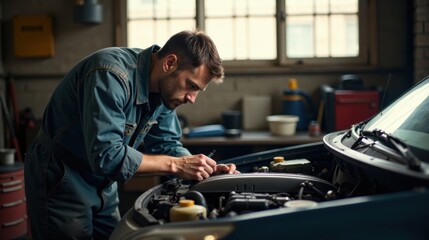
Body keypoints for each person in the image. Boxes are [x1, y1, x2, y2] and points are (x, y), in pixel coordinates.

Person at [24, 30, 239, 240]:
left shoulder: (165, 91)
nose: (192, 98)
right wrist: (178, 165)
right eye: (191, 86)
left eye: (197, 90)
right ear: (169, 63)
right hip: (62, 176)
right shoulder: (109, 74)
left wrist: (202, 170)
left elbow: (167, 144)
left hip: (103, 185)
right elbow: (106, 156)